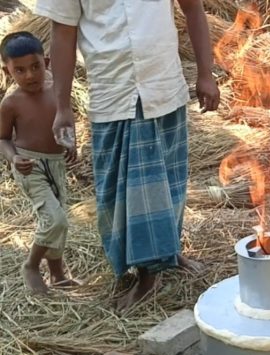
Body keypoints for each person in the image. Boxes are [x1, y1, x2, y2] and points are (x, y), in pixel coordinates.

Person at [37, 0, 221, 310]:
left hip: (163, 84)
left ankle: (166, 254)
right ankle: (146, 273)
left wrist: (206, 73)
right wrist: (63, 106)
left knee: (168, 183)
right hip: (112, 92)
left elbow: (193, 9)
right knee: (125, 192)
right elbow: (62, 35)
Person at [0, 32, 78, 294]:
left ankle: (57, 275)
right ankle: (31, 265)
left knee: (60, 219)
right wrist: (13, 158)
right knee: (54, 219)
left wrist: (71, 143)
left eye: (35, 66)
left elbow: (66, 120)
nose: (30, 75)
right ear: (7, 71)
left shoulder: (58, 90)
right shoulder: (11, 103)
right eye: (19, 70)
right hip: (29, 165)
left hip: (56, 163)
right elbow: (2, 138)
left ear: (46, 62)